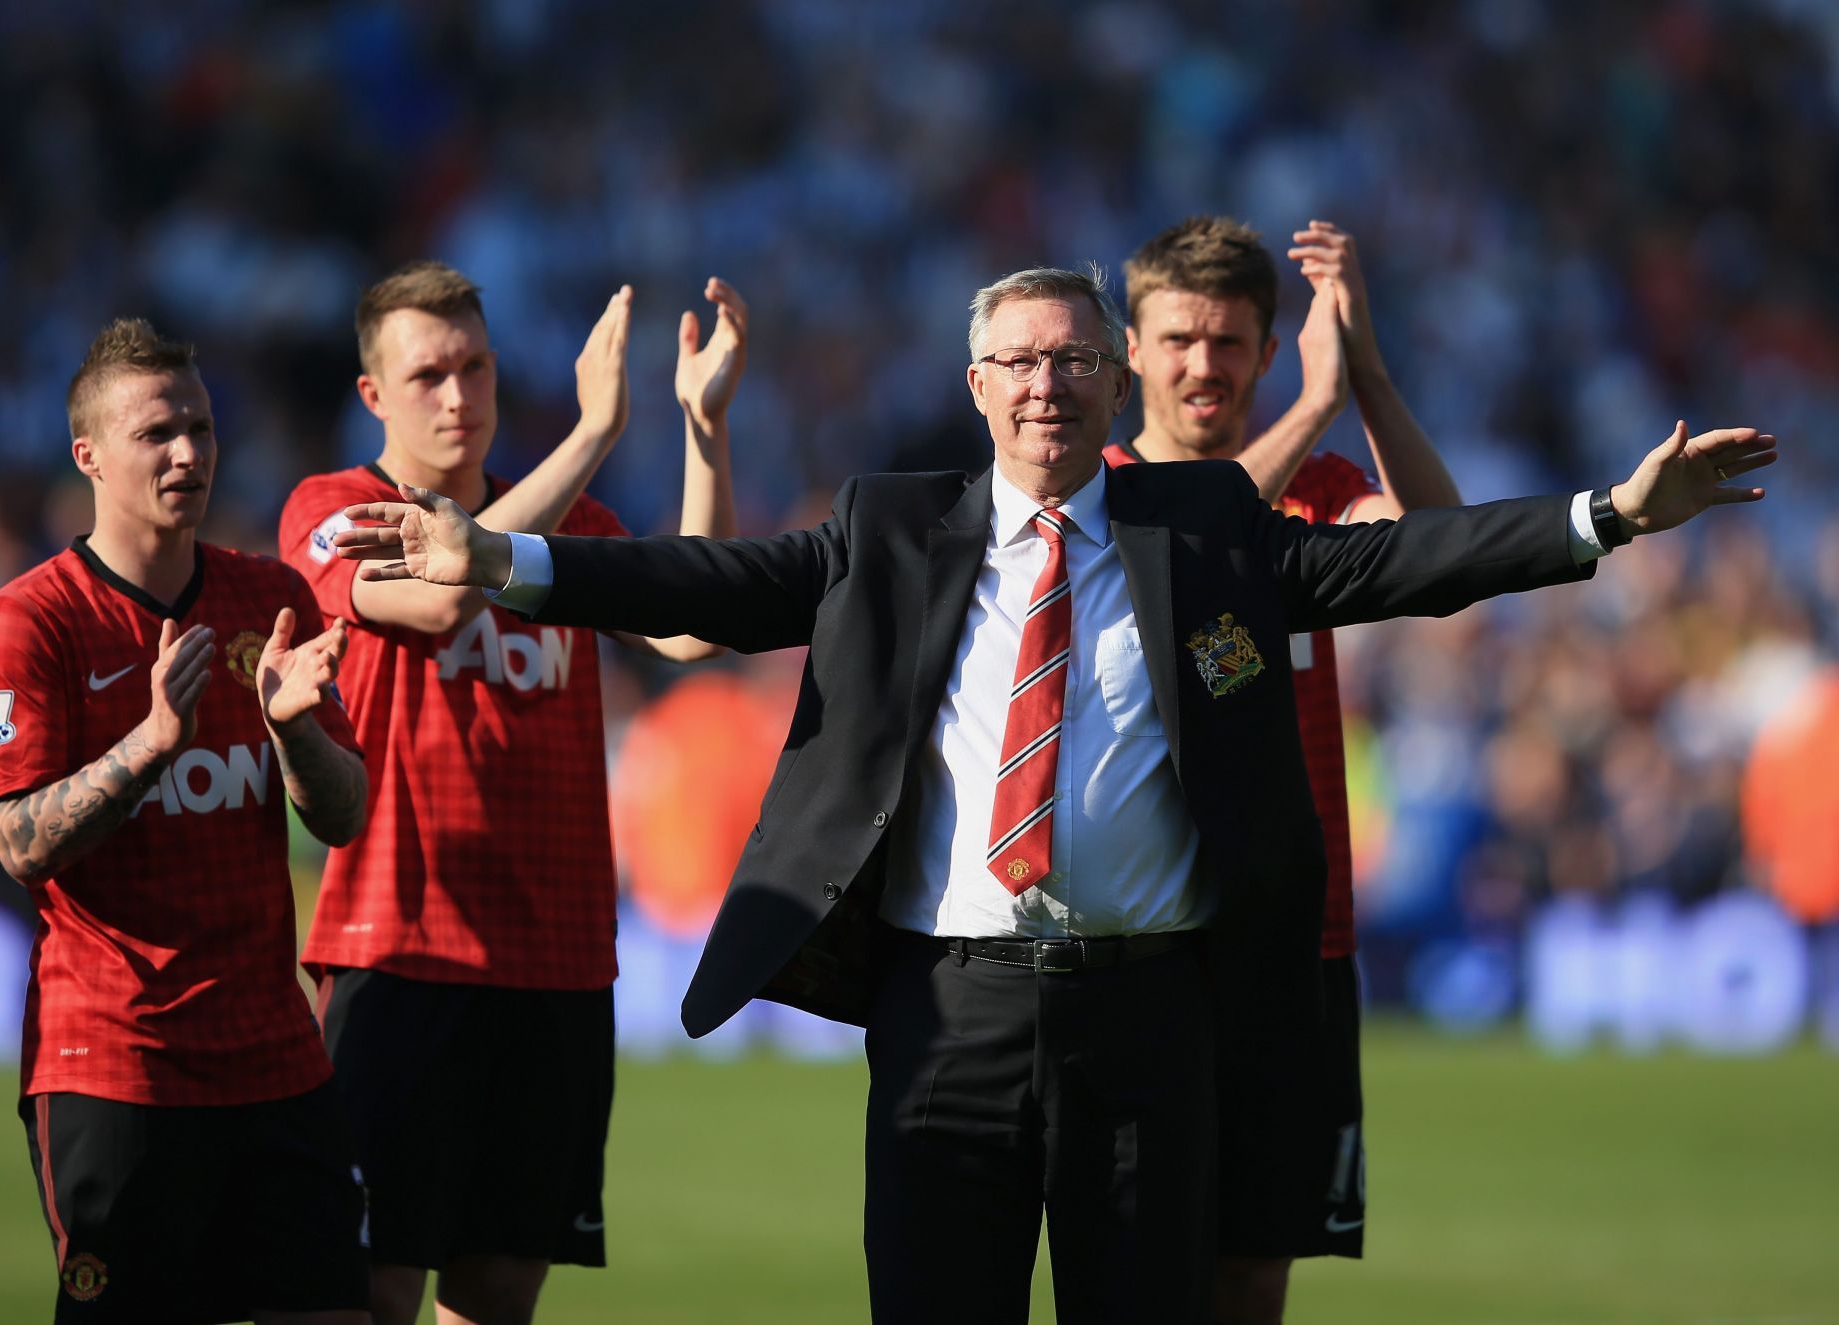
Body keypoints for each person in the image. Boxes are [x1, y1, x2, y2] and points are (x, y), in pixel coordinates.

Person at [330, 265, 1774, 1324]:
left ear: (1109, 380)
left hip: (1150, 1018)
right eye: (1018, 361)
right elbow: (715, 584)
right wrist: (505, 561)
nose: (1046, 384)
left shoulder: (1200, 525)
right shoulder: (896, 526)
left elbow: (1401, 566)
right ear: (977, 388)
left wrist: (1612, 517)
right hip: (945, 1015)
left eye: (1074, 359)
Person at [277, 260, 745, 1325]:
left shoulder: (572, 524)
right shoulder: (338, 509)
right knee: (370, 1285)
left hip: (557, 962)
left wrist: (700, 429)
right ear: (374, 395)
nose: (459, 396)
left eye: (476, 367)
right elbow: (443, 600)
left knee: (497, 1294)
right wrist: (590, 432)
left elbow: (691, 622)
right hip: (398, 951)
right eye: (430, 373)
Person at [0, 318, 372, 1325]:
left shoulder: (269, 599)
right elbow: (16, 842)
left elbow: (346, 812)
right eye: (157, 432)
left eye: (199, 425)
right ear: (89, 454)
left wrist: (292, 734)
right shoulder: (31, 619)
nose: (188, 450)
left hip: (274, 1053)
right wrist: (150, 742)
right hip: (115, 1060)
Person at [1111, 215, 1460, 1321]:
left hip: (1302, 935)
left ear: (1269, 349)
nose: (1202, 365)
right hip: (1151, 939)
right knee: (1137, 1264)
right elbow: (1185, 555)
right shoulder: (1100, 486)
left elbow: (1441, 551)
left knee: (1259, 1269)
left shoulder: (1320, 490)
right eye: (1178, 339)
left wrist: (1364, 376)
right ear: (1132, 348)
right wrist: (1310, 404)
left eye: (1229, 343)